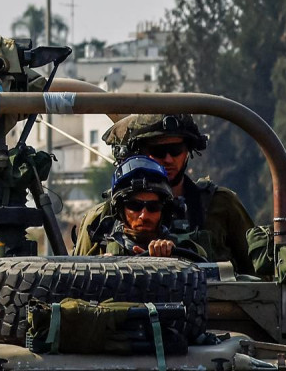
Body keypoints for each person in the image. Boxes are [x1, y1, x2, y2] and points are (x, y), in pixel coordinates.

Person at [73, 114, 253, 272]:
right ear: (138, 153)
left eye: (176, 151)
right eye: (158, 151)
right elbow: (74, 281)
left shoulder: (221, 205)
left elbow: (259, 279)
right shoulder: (100, 221)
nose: (168, 159)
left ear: (187, 152)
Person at [80, 156, 208, 258]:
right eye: (134, 206)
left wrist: (173, 260)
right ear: (120, 209)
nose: (144, 215)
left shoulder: (183, 247)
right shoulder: (98, 246)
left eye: (153, 207)